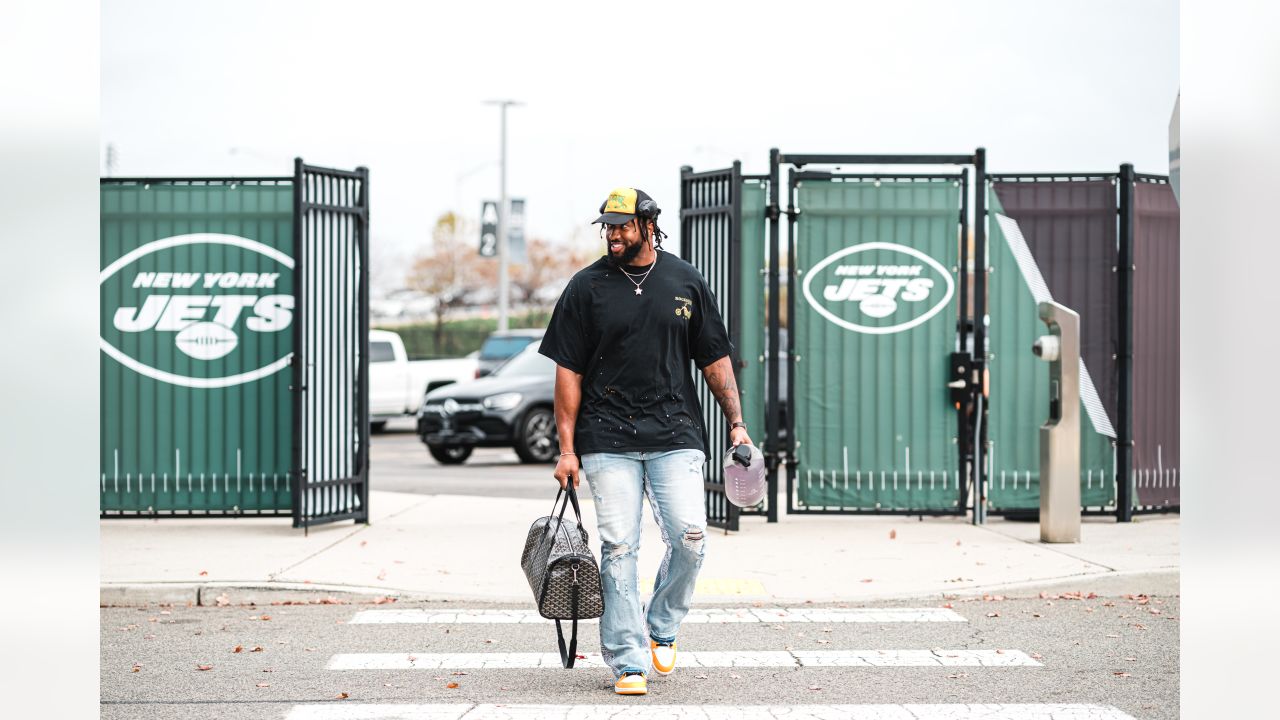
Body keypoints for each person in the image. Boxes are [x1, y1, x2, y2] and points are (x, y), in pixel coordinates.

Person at [537, 187, 752, 696]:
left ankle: (663, 623)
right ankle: (629, 659)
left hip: (676, 431)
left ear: (649, 225)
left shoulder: (685, 281)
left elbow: (715, 360)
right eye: (608, 227)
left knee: (691, 539)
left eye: (622, 226)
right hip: (607, 435)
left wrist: (737, 423)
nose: (613, 235)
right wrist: (566, 449)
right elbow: (568, 372)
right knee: (618, 546)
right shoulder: (585, 288)